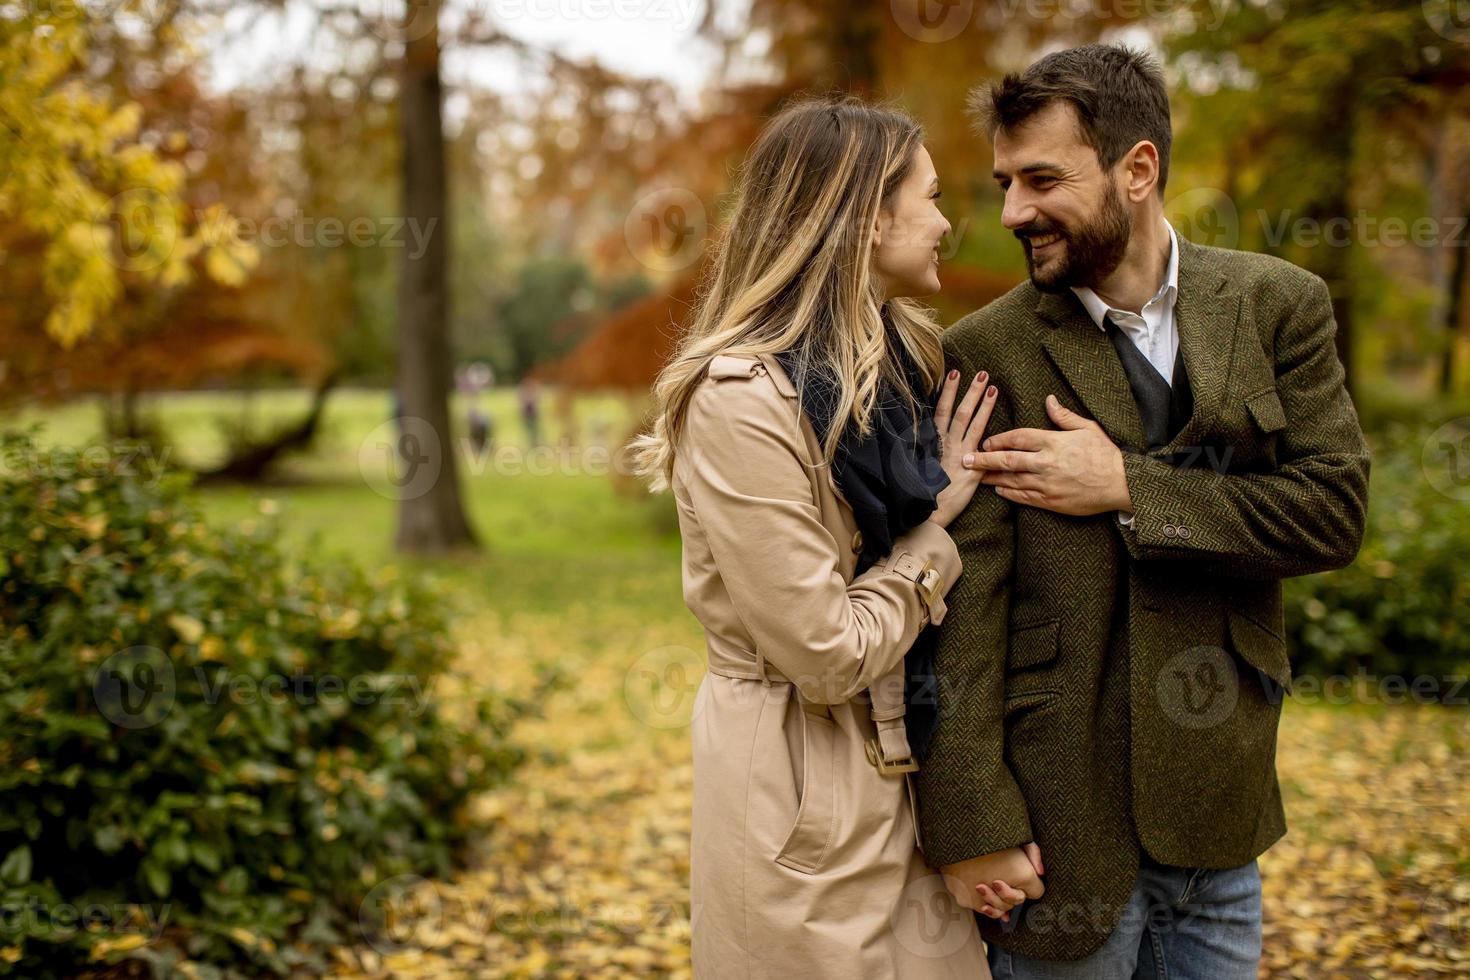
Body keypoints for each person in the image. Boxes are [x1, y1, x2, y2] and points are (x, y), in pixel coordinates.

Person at [912, 43, 1371, 978]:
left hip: (1220, 805)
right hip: (1052, 825)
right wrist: (971, 824)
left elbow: (1331, 513)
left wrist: (1130, 486)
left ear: (1138, 169)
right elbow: (962, 607)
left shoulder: (1278, 305)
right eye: (1004, 182)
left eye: (1041, 179)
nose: (1011, 212)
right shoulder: (985, 347)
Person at [630, 95, 1024, 978]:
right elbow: (824, 651)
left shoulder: (898, 363)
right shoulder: (741, 398)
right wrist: (934, 532)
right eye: (927, 197)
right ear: (864, 215)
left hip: (902, 762)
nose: (948, 220)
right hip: (797, 781)